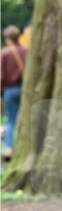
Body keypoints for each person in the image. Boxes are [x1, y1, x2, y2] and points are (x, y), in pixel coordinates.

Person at [1, 25, 28, 161]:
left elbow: (1, 76)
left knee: (11, 120)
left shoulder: (4, 53)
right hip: (25, 90)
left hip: (10, 90)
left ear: (8, 39)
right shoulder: (26, 52)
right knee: (24, 119)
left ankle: (10, 148)